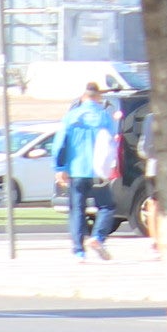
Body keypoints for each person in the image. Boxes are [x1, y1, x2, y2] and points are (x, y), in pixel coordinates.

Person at [50, 82, 124, 261]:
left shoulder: (71, 116)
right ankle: (98, 237)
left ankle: (78, 251)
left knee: (77, 209)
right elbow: (111, 143)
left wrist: (60, 168)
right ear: (98, 97)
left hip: (76, 170)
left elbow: (59, 144)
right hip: (98, 171)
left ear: (83, 97)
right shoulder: (104, 117)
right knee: (106, 206)